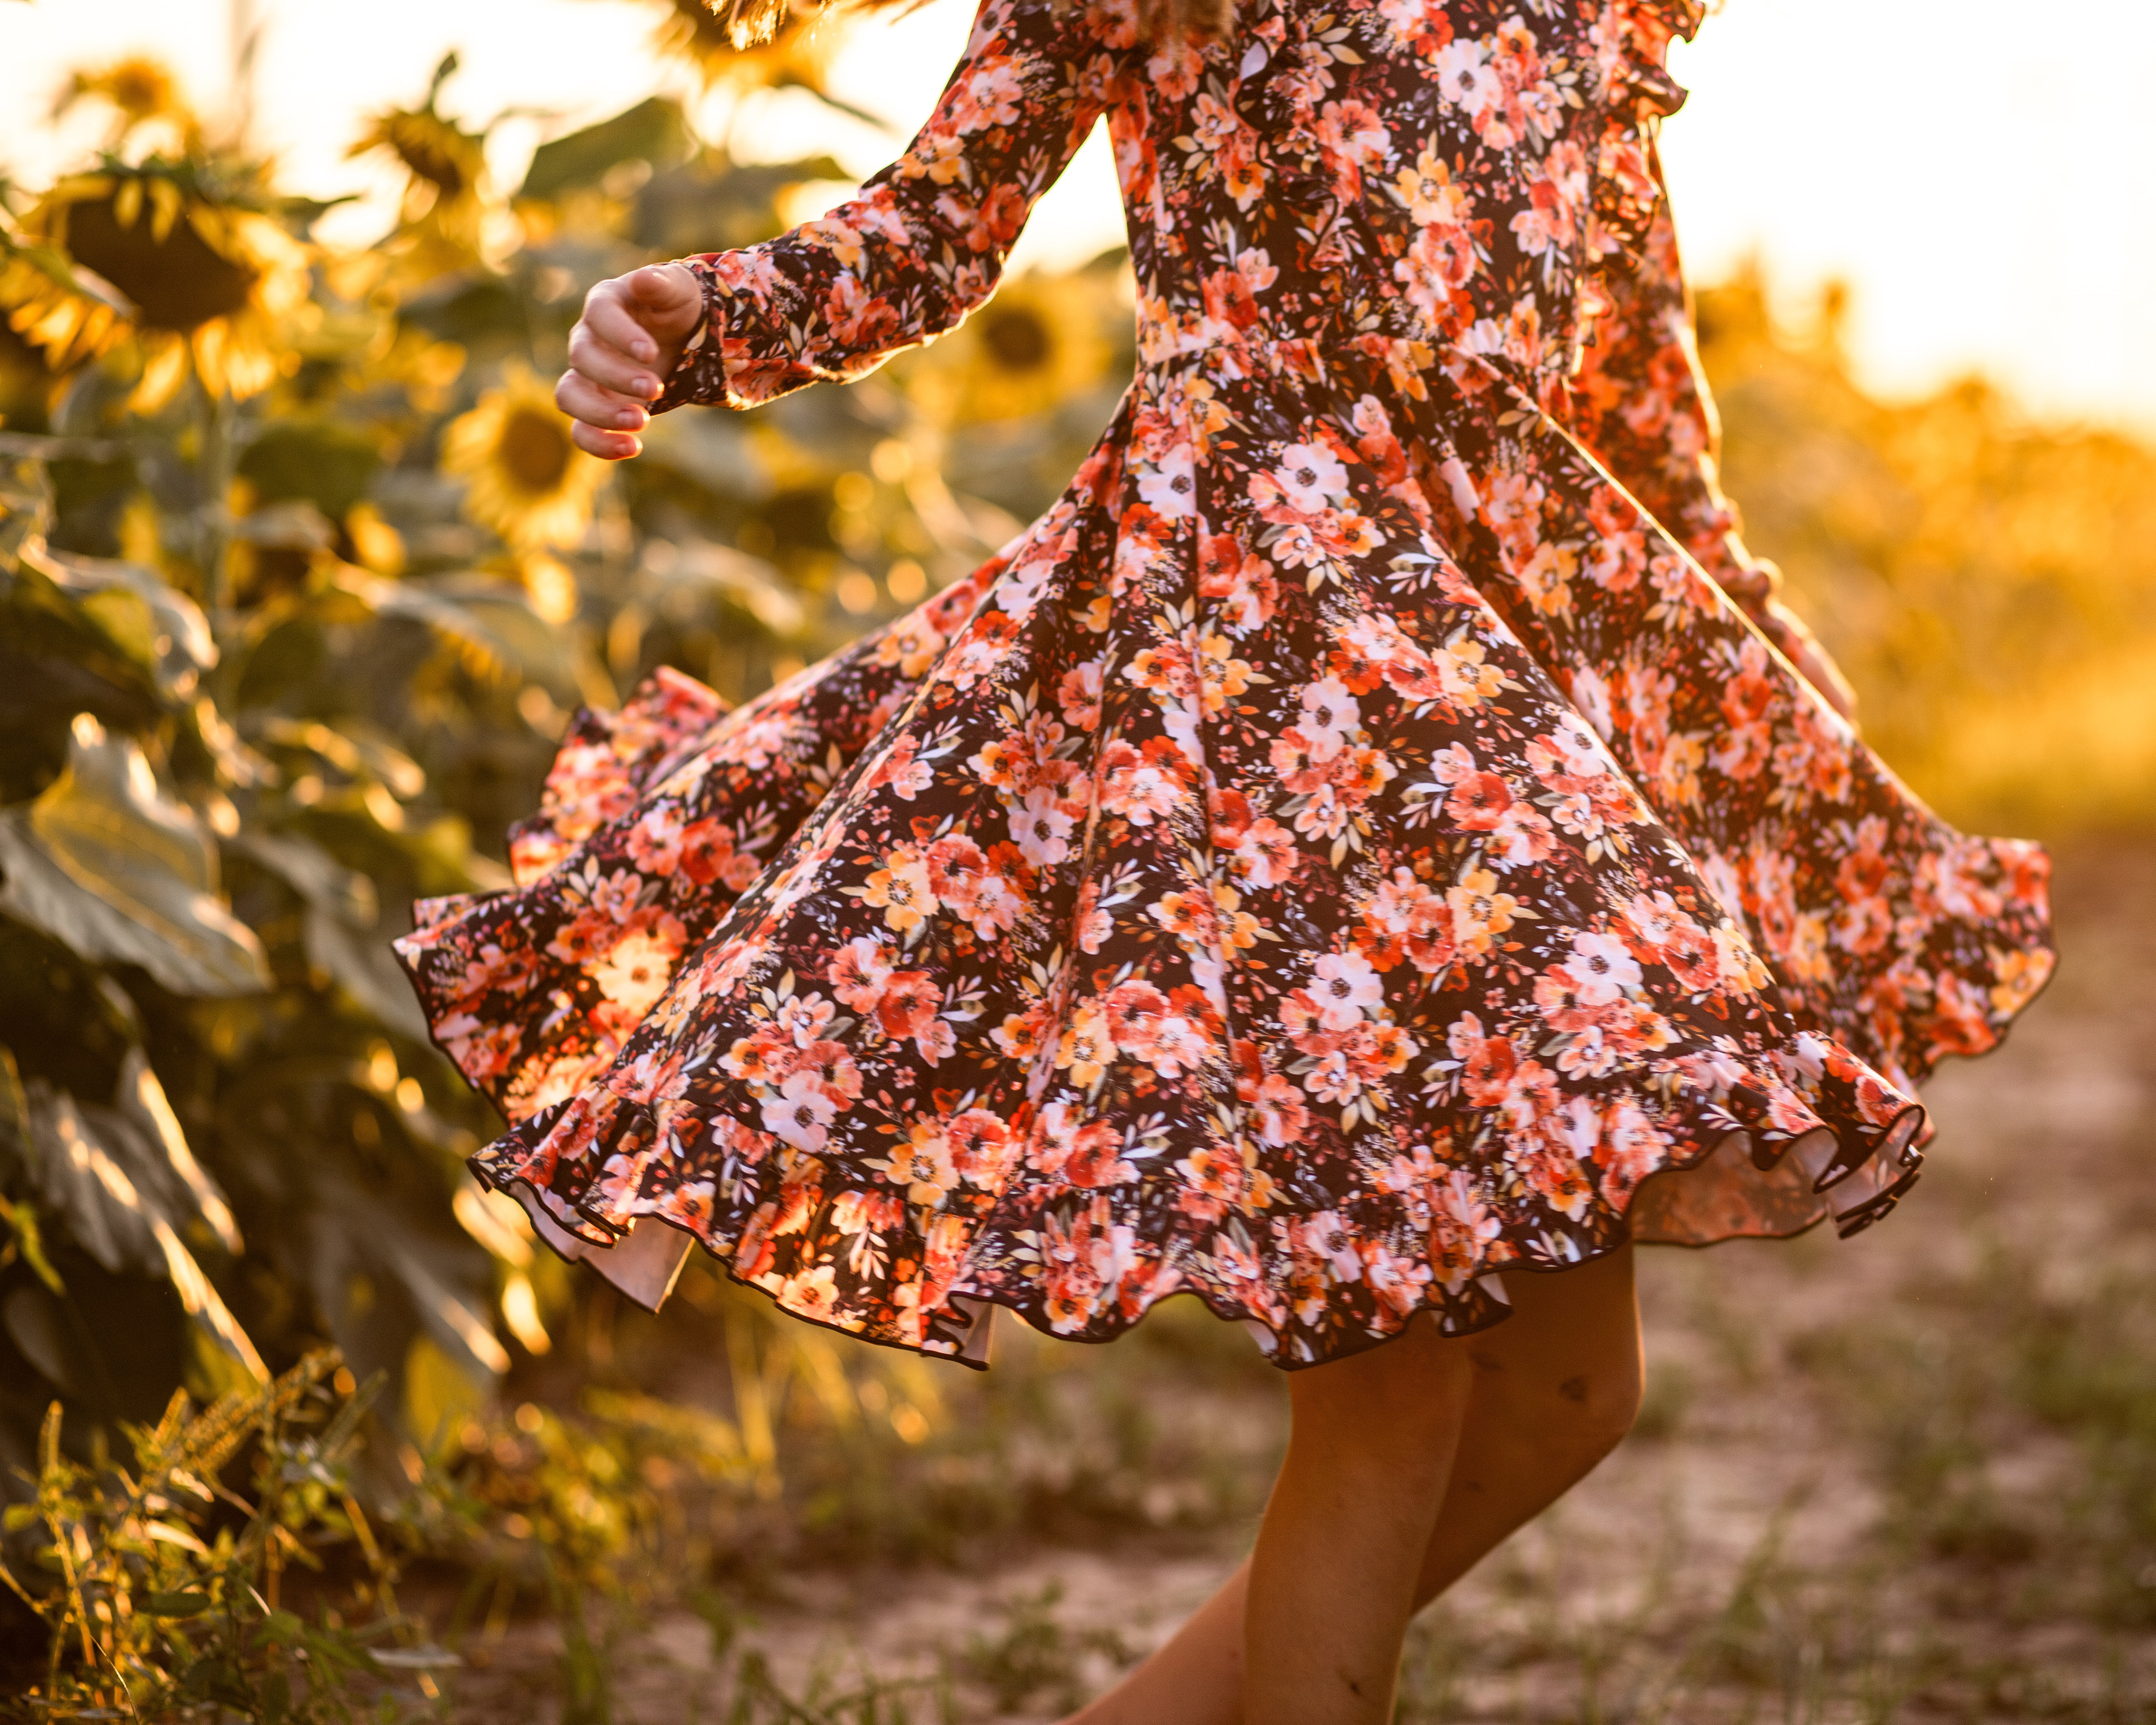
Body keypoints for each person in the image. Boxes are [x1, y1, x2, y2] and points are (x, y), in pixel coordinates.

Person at [396, 0, 2055, 1716]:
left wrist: (1737, 624)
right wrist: (704, 316)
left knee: (1571, 1395)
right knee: (1390, 1385)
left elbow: (1629, 384)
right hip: (1264, 646)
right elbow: (930, 225)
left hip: (1501, 661)